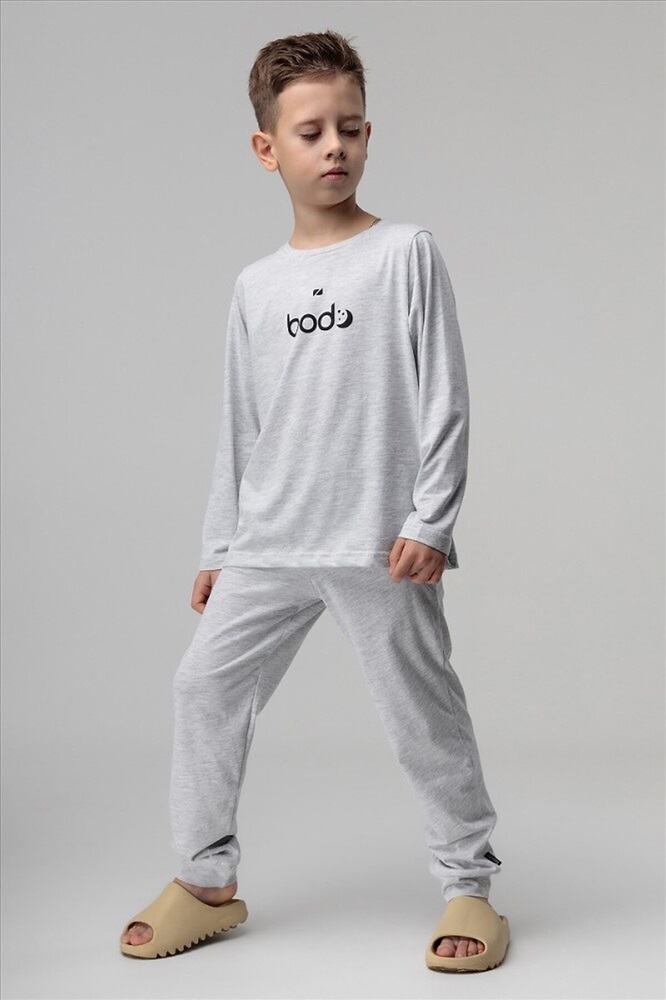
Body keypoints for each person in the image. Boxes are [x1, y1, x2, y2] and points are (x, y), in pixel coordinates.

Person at [119, 29, 510, 973]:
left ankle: (470, 882)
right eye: (311, 132)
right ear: (268, 149)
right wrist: (221, 545)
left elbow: (446, 396)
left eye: (351, 127)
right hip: (270, 541)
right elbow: (242, 422)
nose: (335, 146)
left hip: (379, 542)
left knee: (421, 714)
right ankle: (206, 881)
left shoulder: (405, 253)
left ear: (368, 134)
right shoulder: (256, 286)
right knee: (203, 688)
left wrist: (431, 520)